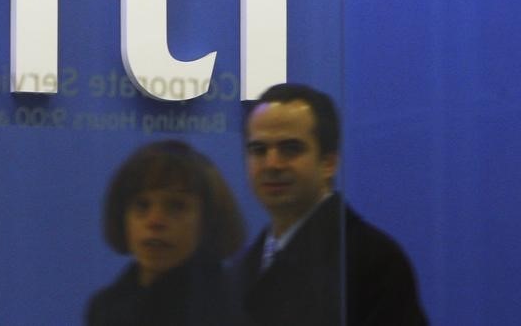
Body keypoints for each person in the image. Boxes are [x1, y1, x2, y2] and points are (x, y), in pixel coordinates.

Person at [237, 83, 428, 326]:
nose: (272, 163)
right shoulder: (241, 268)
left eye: (290, 148)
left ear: (329, 163)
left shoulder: (373, 262)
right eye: (259, 150)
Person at [86, 140, 246, 326]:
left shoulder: (235, 307)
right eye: (141, 205)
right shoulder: (105, 308)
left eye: (175, 206)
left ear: (208, 220)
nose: (155, 221)